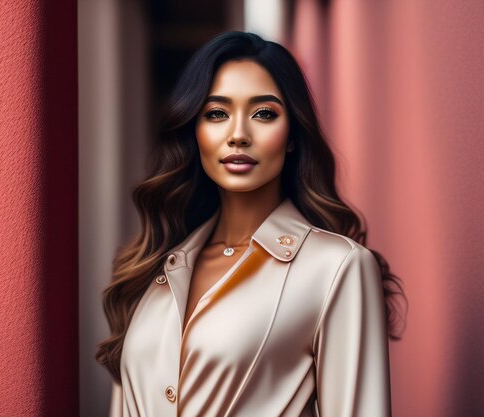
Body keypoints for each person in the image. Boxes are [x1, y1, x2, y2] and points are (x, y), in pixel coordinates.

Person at [96, 31, 406, 417]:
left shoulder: (336, 268)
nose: (238, 135)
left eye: (264, 114)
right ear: (195, 131)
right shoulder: (152, 267)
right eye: (216, 114)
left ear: (292, 134)